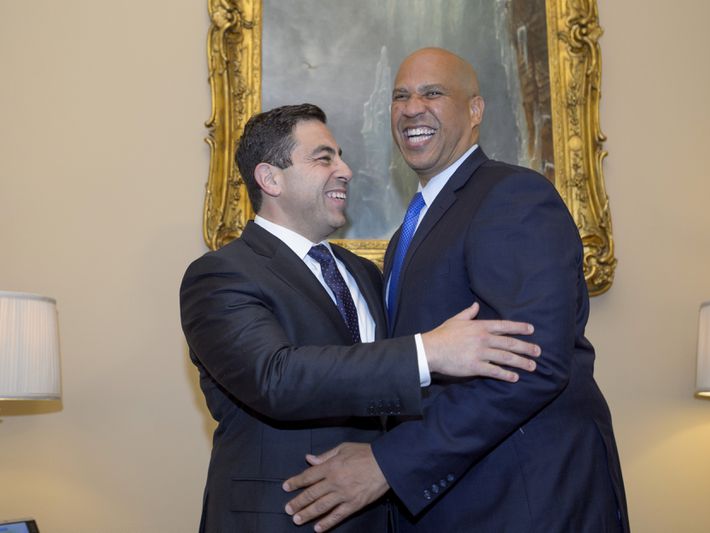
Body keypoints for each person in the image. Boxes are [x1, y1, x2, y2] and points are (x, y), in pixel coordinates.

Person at [284, 48, 630, 533]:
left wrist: (388, 463)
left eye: (432, 93)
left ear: (474, 111)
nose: (410, 108)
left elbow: (530, 362)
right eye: (400, 96)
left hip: (527, 502)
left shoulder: (512, 196)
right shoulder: (420, 219)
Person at [179, 103, 542, 532]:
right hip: (283, 519)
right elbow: (275, 378)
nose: (346, 170)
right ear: (270, 178)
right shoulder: (220, 275)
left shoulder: (364, 274)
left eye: (342, 156)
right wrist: (428, 352)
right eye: (324, 157)